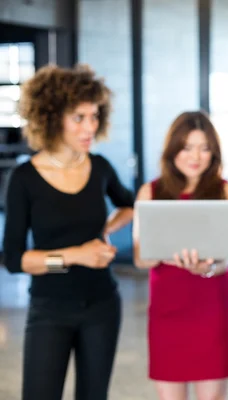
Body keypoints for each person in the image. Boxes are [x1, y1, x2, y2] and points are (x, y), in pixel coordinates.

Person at [2, 64, 135, 400]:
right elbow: (15, 260)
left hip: (103, 306)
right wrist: (76, 255)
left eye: (94, 116)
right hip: (50, 309)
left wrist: (105, 230)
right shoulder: (25, 179)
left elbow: (131, 205)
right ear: (51, 118)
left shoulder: (100, 167)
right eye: (79, 118)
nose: (90, 126)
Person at [132, 110, 228, 400]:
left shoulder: (225, 192)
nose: (196, 156)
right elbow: (139, 258)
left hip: (212, 307)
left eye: (205, 148)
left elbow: (226, 258)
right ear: (173, 150)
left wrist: (207, 268)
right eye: (187, 147)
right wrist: (164, 254)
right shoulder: (151, 191)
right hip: (168, 308)